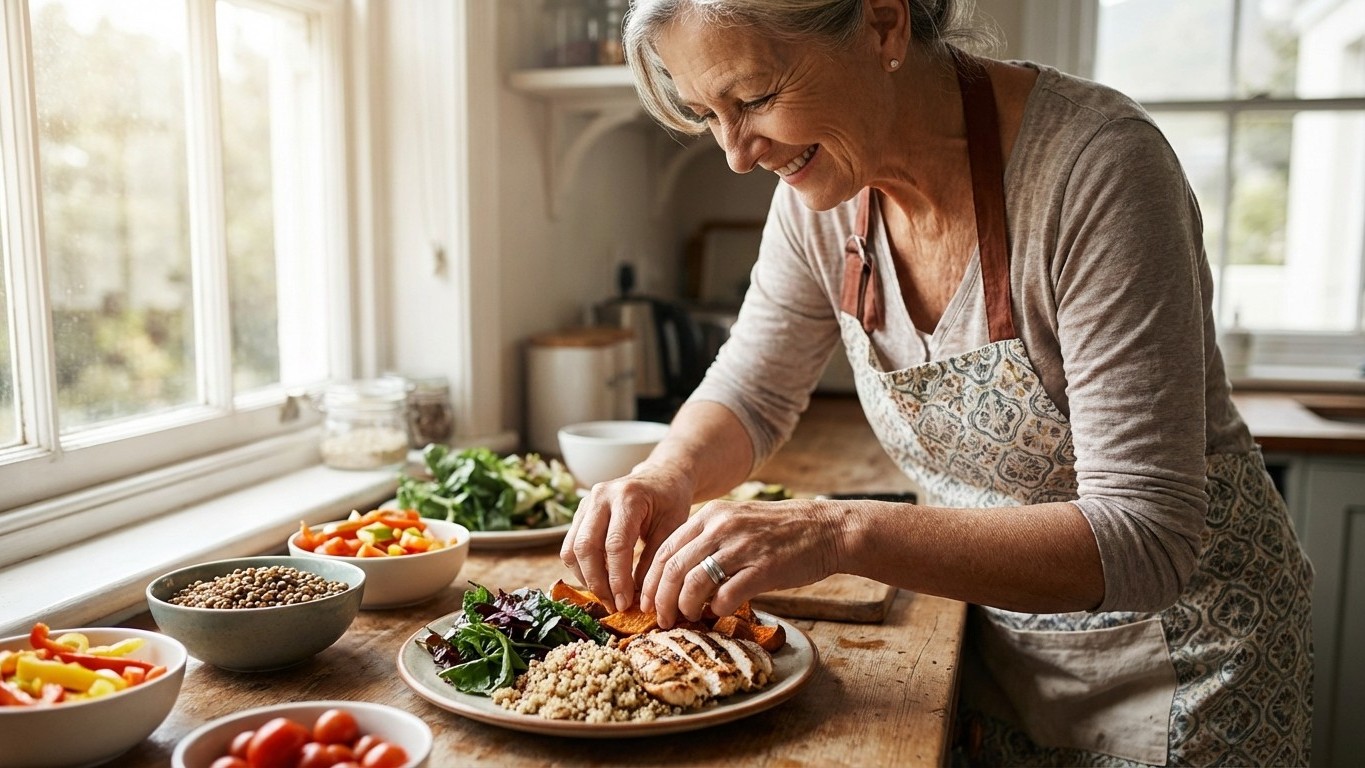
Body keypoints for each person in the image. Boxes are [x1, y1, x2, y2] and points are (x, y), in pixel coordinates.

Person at [560, 0, 1314, 764]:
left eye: (753, 99)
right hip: (998, 652)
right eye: (706, 114)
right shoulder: (820, 197)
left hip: (1184, 663)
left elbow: (1145, 539)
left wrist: (835, 531)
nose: (735, 154)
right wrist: (665, 475)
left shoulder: (1097, 168)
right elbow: (751, 394)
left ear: (883, 25)